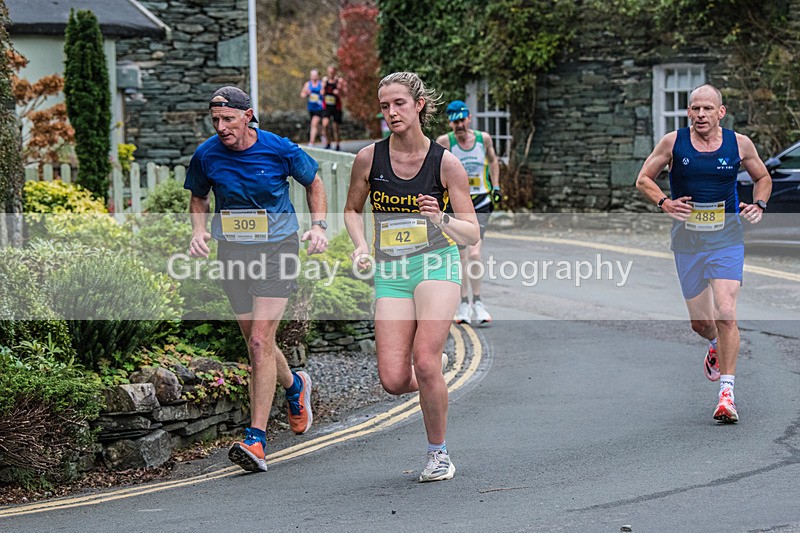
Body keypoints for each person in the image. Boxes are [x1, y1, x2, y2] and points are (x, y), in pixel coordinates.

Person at [185, 86, 329, 472]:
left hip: (278, 248)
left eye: (228, 119)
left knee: (260, 340)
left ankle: (257, 439)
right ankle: (295, 386)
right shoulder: (206, 154)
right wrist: (198, 231)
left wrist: (318, 226)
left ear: (248, 116)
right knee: (256, 340)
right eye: (215, 120)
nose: (221, 127)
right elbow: (199, 196)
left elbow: (314, 182)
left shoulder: (278, 148)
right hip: (232, 252)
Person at [344, 72, 479, 483]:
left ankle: (438, 454)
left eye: (399, 103)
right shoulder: (369, 158)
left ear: (419, 105)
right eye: (384, 106)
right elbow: (351, 210)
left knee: (423, 358)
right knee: (392, 379)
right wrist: (361, 246)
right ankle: (433, 368)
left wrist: (440, 218)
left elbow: (472, 232)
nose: (391, 112)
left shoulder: (446, 163)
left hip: (435, 263)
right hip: (391, 271)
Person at [635, 83, 771, 424]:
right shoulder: (673, 142)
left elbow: (763, 177)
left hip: (727, 239)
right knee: (701, 323)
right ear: (688, 112)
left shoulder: (739, 144)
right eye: (695, 108)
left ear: (720, 112)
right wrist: (664, 202)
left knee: (726, 311)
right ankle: (713, 344)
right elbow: (643, 179)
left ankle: (727, 394)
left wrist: (759, 204)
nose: (700, 114)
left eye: (707, 108)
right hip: (688, 243)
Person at [436, 100, 500, 326]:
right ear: (450, 123)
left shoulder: (484, 139)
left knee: (474, 254)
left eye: (462, 120)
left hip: (480, 201)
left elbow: (493, 161)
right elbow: (436, 168)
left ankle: (479, 302)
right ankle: (464, 303)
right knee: (461, 256)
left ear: (469, 119)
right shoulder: (445, 142)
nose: (460, 126)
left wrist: (496, 186)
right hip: (456, 205)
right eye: (455, 122)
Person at [321, 64, 346, 151]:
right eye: (329, 72)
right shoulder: (325, 80)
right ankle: (328, 143)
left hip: (336, 107)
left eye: (332, 72)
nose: (331, 74)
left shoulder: (339, 81)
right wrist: (323, 89)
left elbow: (344, 94)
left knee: (336, 127)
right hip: (327, 106)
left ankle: (337, 144)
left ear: (335, 72)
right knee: (325, 124)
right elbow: (321, 93)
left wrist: (339, 91)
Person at [300, 69, 326, 146]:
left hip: (320, 107)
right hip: (311, 108)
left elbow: (324, 93)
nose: (313, 77)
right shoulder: (308, 84)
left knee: (314, 123)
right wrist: (306, 93)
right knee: (316, 124)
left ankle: (311, 142)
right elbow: (302, 94)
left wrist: (322, 92)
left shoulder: (321, 83)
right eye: (312, 75)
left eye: (315, 75)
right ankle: (323, 135)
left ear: (318, 76)